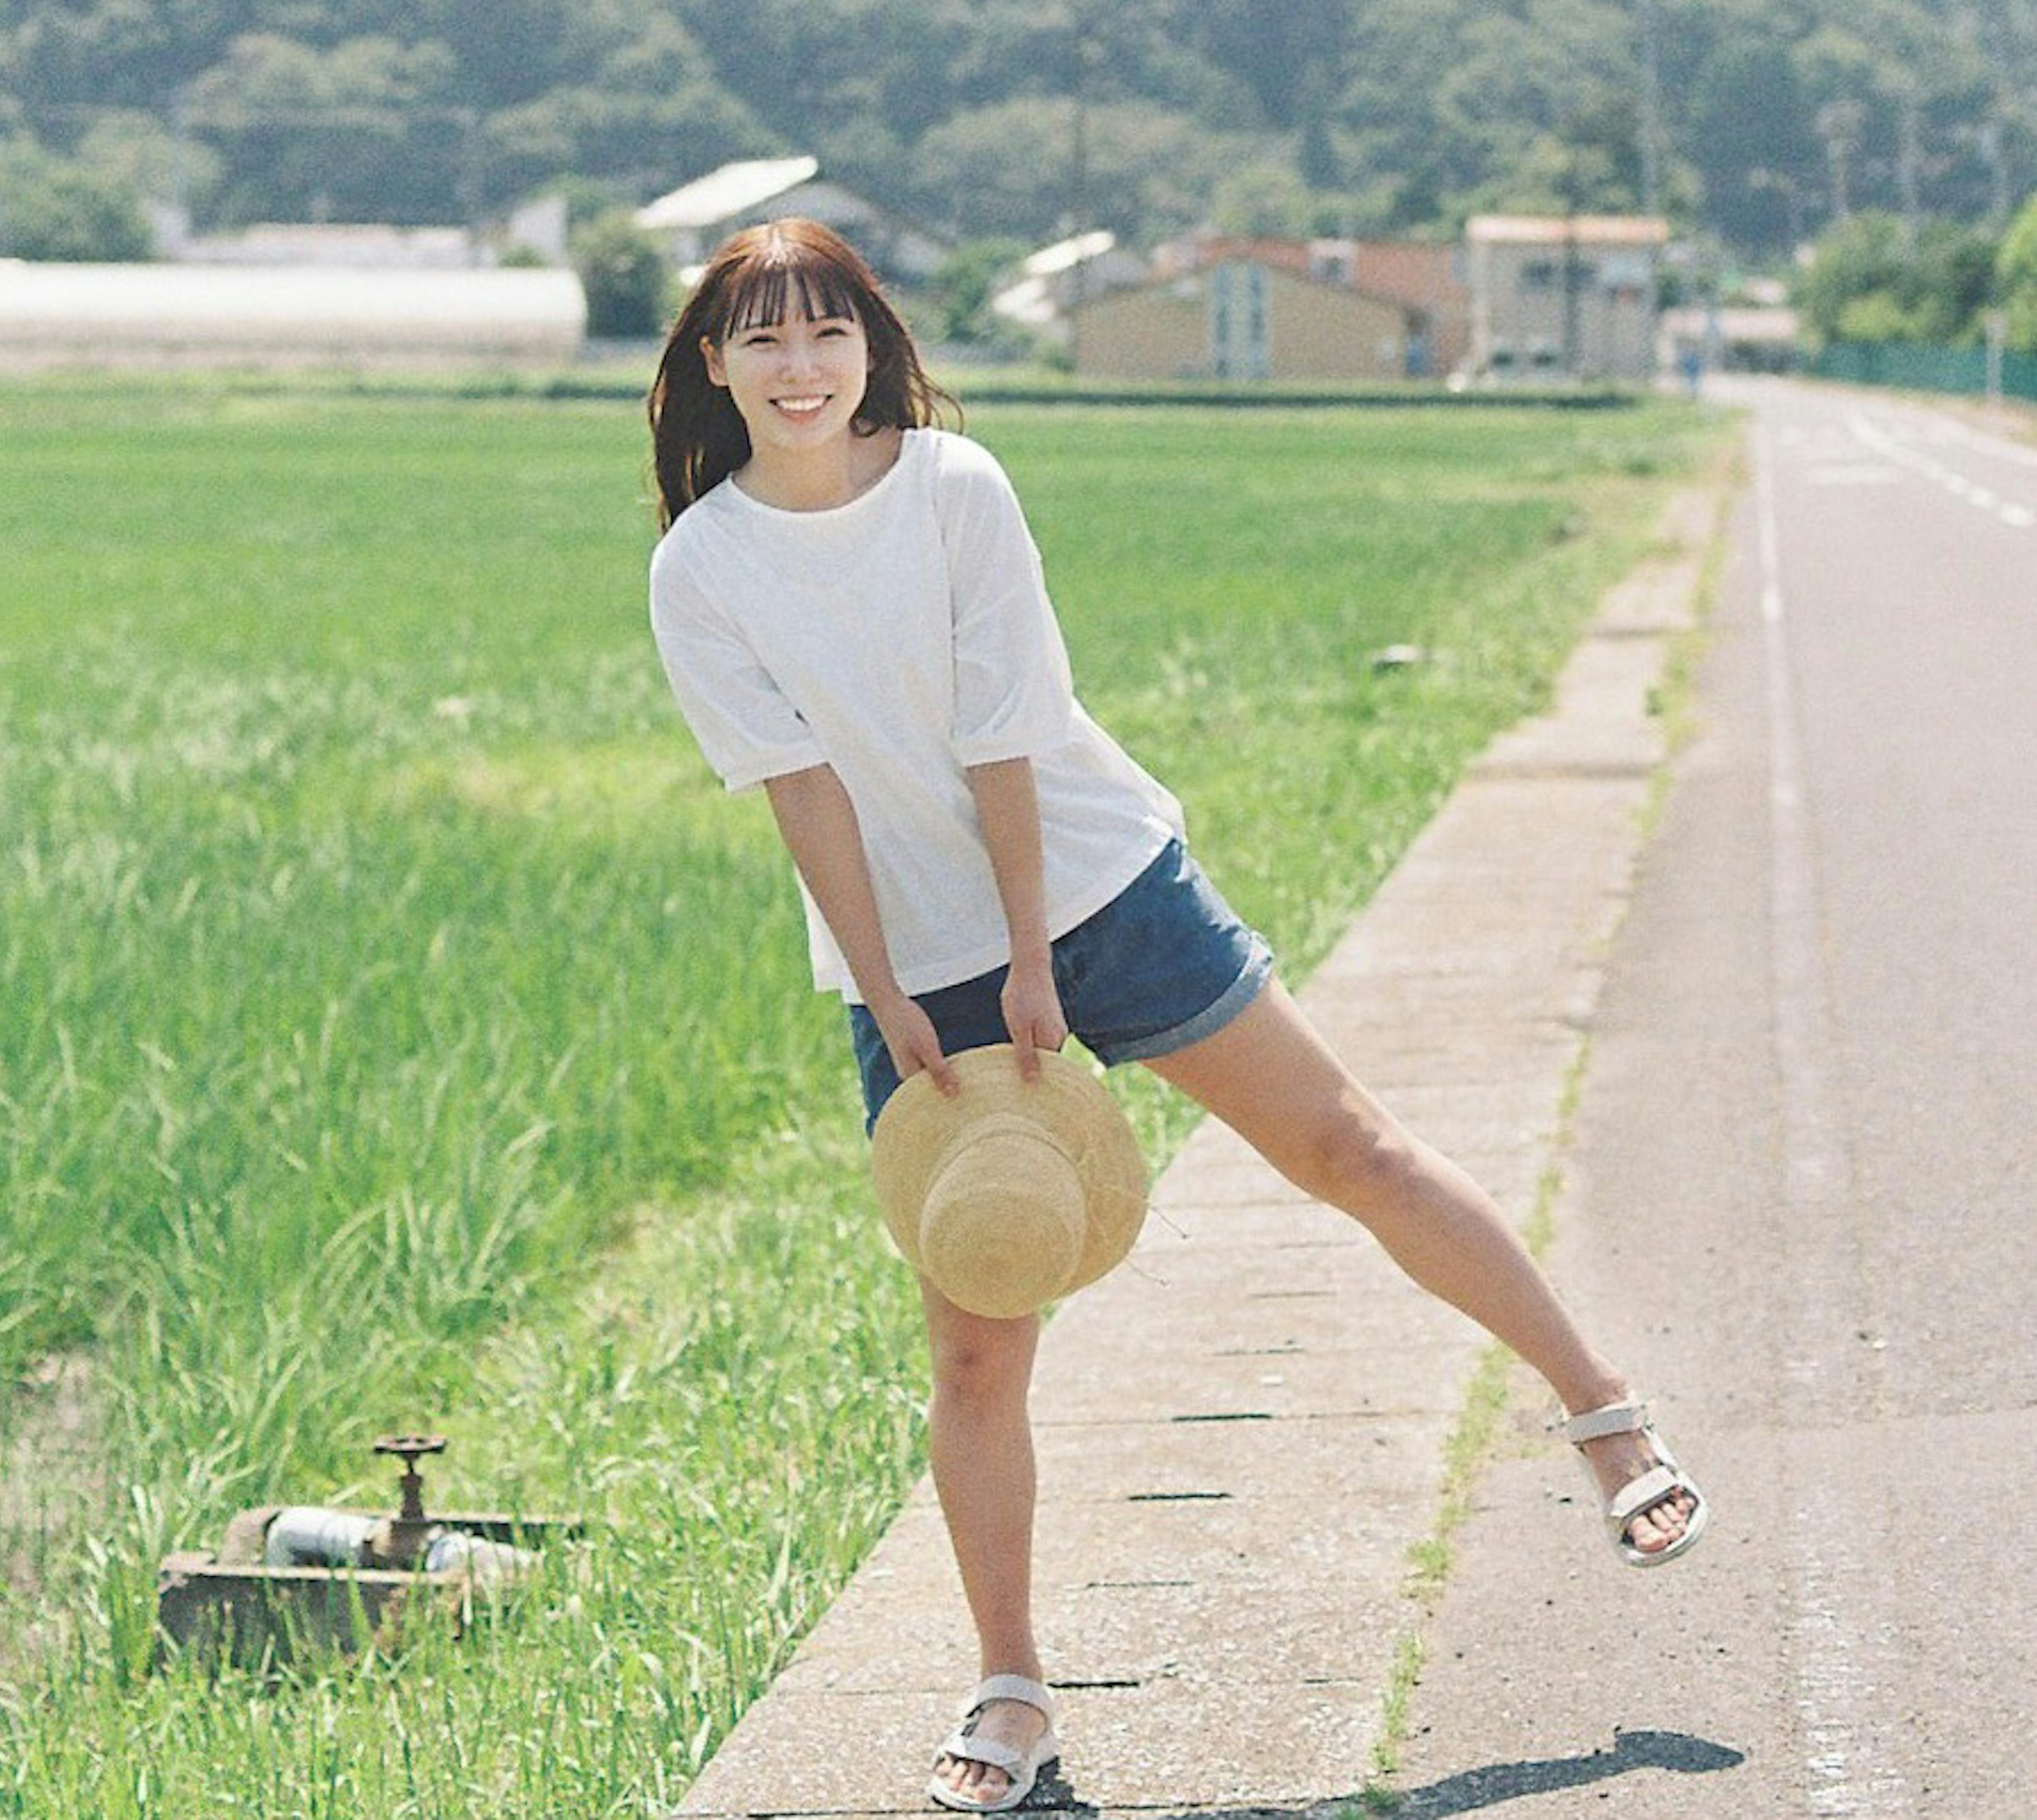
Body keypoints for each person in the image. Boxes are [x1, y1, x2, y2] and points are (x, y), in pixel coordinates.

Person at [647, 219, 1705, 1815]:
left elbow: (1007, 733)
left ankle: (1606, 1421)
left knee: (1349, 1148)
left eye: (827, 336)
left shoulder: (953, 489)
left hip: (1098, 888)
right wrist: (889, 998)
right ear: (714, 365)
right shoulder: (701, 564)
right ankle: (1013, 1691)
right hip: (914, 970)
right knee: (979, 1332)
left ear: (871, 347)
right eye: (763, 341)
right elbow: (805, 799)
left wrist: (1029, 959)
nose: (799, 371)